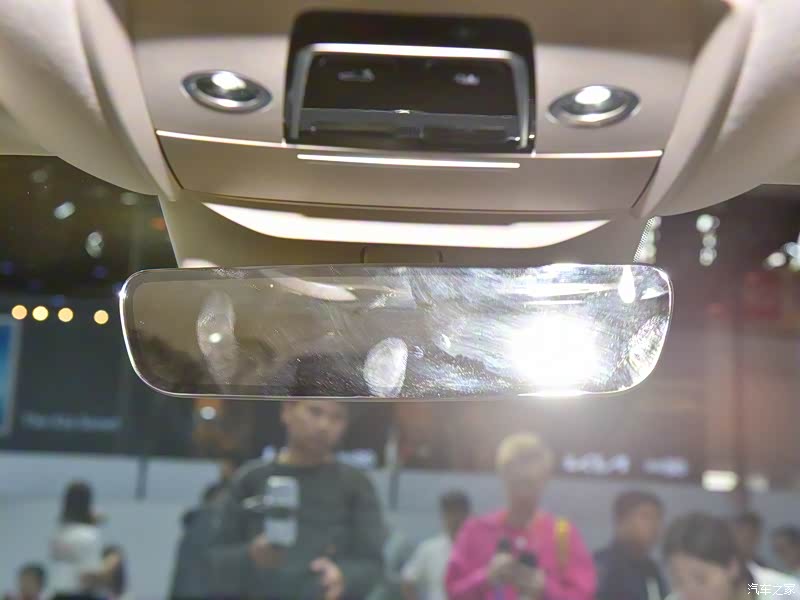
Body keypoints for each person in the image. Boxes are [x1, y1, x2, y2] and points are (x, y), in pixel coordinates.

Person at [210, 399, 386, 600]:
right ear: (287, 411)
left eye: (337, 417)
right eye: (315, 411)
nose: (324, 425)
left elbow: (373, 563)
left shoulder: (356, 485)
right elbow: (215, 559)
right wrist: (251, 555)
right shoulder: (250, 479)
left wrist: (343, 576)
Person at [445, 433, 596, 600]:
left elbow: (585, 596)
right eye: (517, 481)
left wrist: (546, 589)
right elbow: (452, 592)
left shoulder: (564, 535)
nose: (523, 492)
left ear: (545, 480)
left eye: (530, 482)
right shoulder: (475, 531)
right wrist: (486, 577)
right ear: (503, 475)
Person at [664, 512, 800, 600]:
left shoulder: (785, 592)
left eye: (701, 580)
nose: (690, 595)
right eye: (679, 581)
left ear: (732, 567)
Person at [594, 491, 669, 600]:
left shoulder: (650, 569)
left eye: (658, 518)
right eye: (646, 517)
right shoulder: (603, 566)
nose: (655, 525)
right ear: (622, 521)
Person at [402, 490, 472, 600]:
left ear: (468, 515)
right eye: (450, 512)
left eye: (459, 512)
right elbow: (408, 580)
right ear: (443, 516)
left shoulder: (481, 549)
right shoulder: (429, 549)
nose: (455, 518)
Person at [49, 481, 104, 600]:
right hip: (80, 594)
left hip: (58, 593)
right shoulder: (89, 534)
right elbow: (88, 575)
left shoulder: (58, 534)